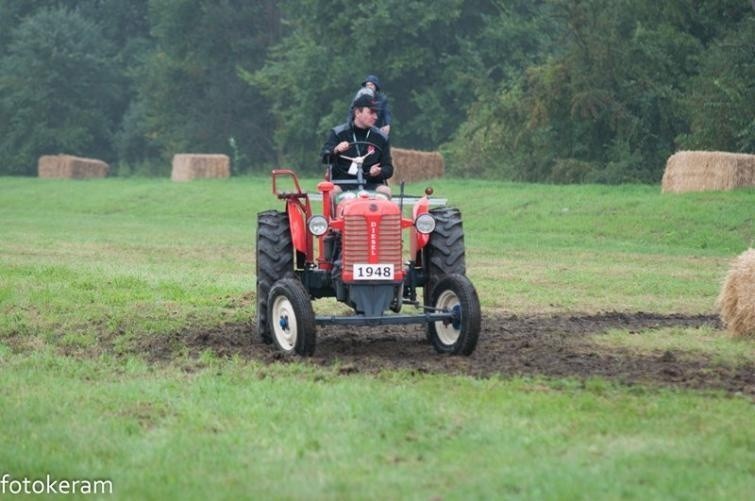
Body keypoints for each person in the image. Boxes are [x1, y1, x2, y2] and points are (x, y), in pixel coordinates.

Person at [323, 93, 392, 198]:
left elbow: (388, 168)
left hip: (371, 183)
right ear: (357, 113)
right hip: (343, 183)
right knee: (332, 193)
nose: (376, 117)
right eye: (371, 112)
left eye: (376, 113)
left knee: (385, 192)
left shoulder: (381, 138)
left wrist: (378, 172)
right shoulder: (338, 133)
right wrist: (336, 150)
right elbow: (325, 157)